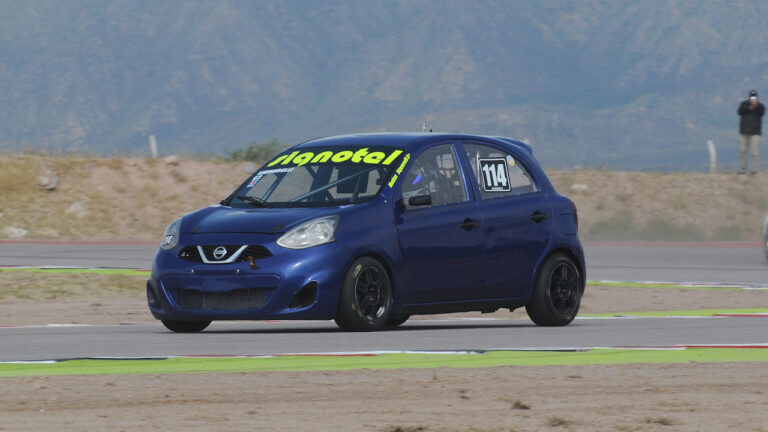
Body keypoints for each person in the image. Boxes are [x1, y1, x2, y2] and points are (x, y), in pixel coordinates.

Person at [737, 89, 765, 175]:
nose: (753, 99)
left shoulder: (760, 106)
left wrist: (755, 106)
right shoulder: (744, 104)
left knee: (754, 152)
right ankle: (742, 169)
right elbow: (740, 112)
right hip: (744, 132)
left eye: (754, 97)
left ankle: (754, 170)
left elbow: (762, 112)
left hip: (755, 132)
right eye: (752, 97)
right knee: (743, 151)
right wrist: (749, 106)